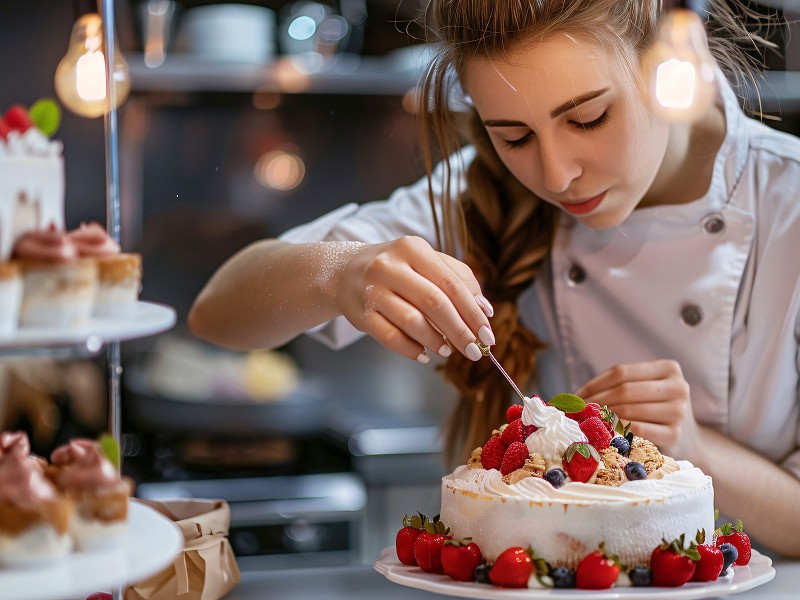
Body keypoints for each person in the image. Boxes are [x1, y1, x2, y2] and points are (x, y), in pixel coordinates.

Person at [188, 0, 800, 557]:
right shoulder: (486, 190)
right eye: (515, 136)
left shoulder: (788, 204)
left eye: (588, 119)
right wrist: (337, 272)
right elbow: (216, 312)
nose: (556, 176)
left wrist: (694, 448)